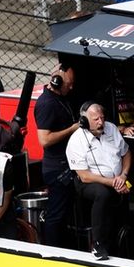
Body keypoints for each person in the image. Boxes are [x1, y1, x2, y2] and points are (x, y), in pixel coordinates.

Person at [66, 101, 130, 260]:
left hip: (118, 179)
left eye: (102, 118)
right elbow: (84, 176)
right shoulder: (76, 140)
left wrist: (123, 176)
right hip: (89, 182)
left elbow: (126, 153)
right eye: (96, 119)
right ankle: (98, 244)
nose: (101, 122)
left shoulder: (111, 129)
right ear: (85, 121)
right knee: (102, 194)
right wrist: (114, 183)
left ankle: (125, 244)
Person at [34, 64, 80, 247]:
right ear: (58, 80)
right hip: (56, 167)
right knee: (56, 214)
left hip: (65, 164)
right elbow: (44, 139)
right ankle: (53, 251)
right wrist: (71, 129)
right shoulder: (47, 104)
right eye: (69, 83)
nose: (71, 87)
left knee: (66, 213)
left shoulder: (61, 99)